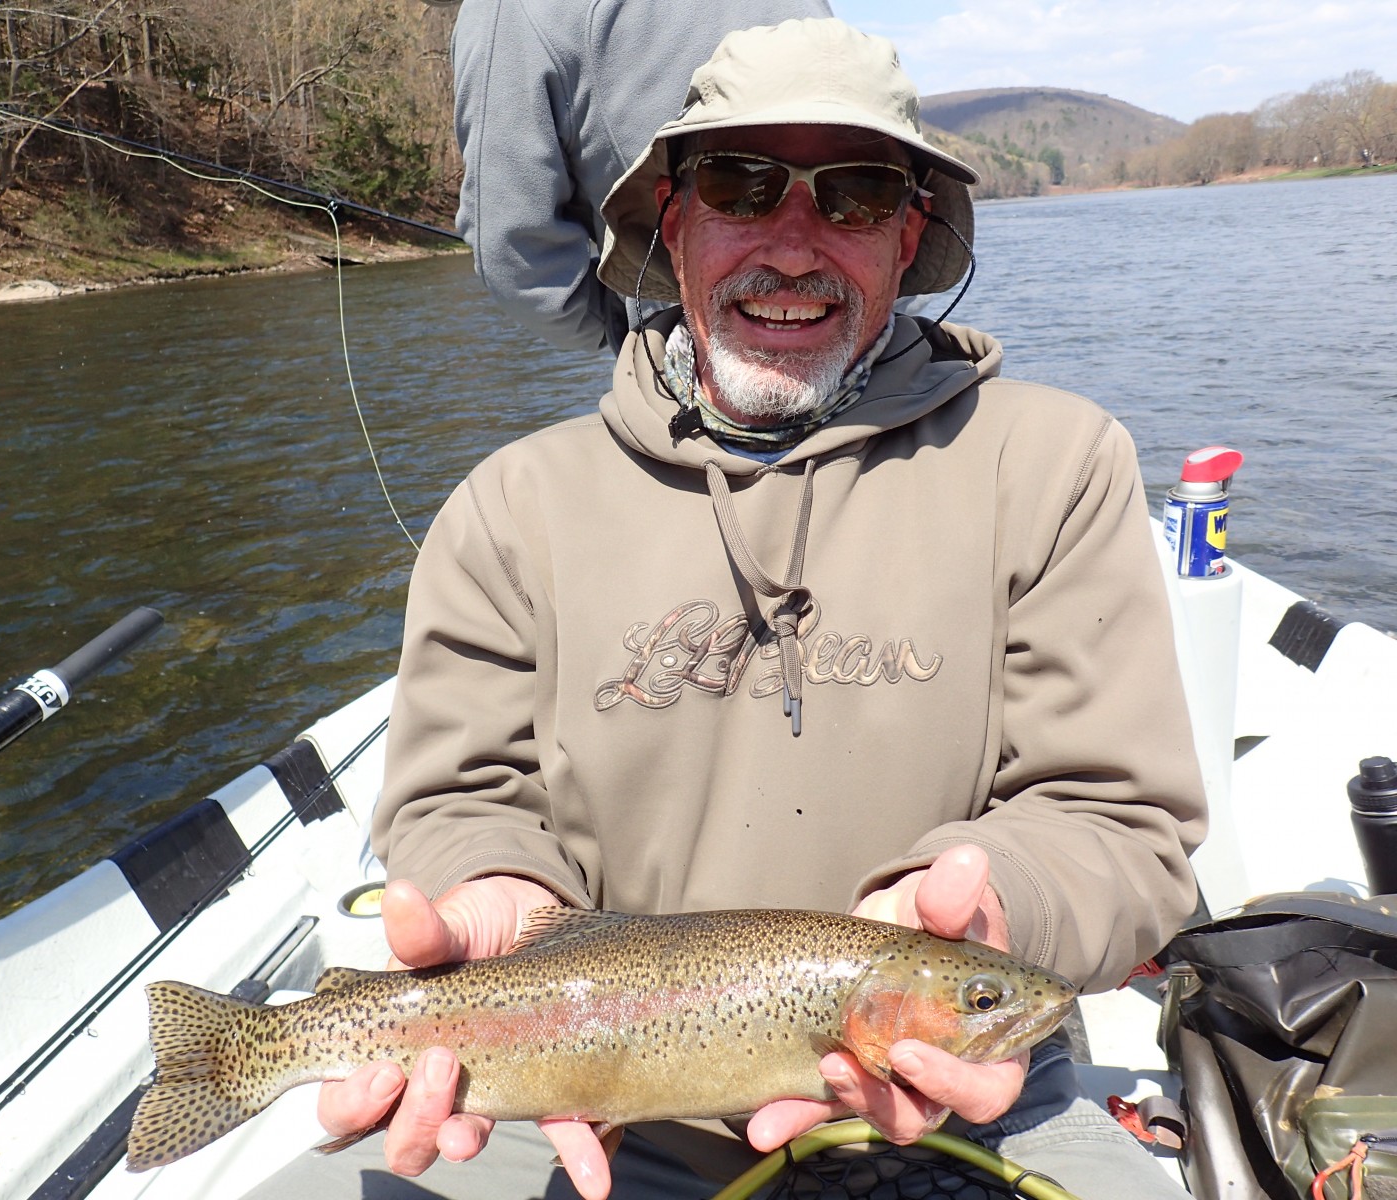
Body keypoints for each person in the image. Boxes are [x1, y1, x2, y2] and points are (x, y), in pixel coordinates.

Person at [317, 18, 1206, 1200]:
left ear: (909, 233)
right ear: (671, 225)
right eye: (743, 185)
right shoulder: (509, 508)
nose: (793, 245)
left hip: (964, 1090)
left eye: (851, 196)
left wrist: (990, 917)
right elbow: (460, 798)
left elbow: (1120, 822)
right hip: (582, 1091)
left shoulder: (1052, 464)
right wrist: (497, 895)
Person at [428, 0, 832, 354]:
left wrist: (633, 320)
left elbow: (512, 256)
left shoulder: (505, 10)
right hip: (861, 310)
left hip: (700, 346)